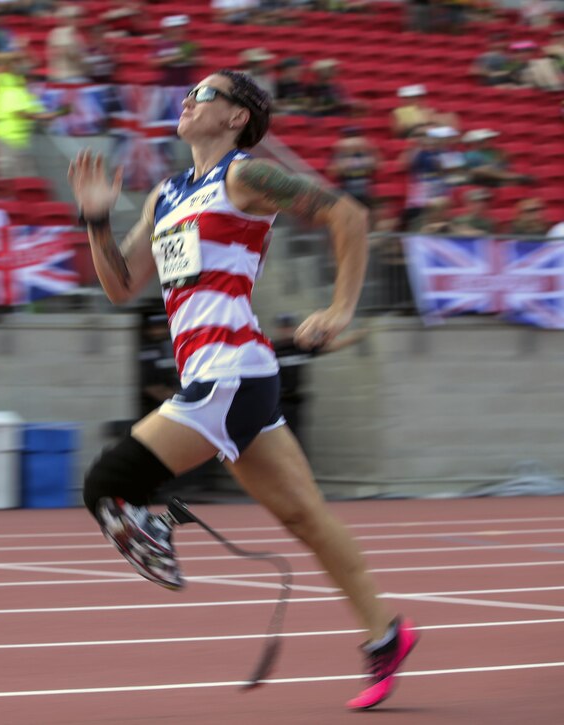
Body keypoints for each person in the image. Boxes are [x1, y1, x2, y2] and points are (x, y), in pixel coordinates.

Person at [67, 69, 417, 711]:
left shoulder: (246, 176)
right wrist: (95, 218)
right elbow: (121, 286)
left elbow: (347, 215)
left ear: (235, 117)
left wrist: (339, 309)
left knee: (107, 485)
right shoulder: (167, 194)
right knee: (303, 517)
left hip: (232, 372)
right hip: (215, 375)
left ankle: (157, 520)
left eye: (202, 94)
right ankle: (386, 635)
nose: (187, 99)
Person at [271, 313, 367, 441]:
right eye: (283, 327)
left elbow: (331, 347)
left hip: (295, 402)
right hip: (277, 402)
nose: (287, 330)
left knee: (296, 437)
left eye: (289, 327)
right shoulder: (272, 349)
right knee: (280, 439)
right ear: (278, 330)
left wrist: (356, 337)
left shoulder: (301, 347)